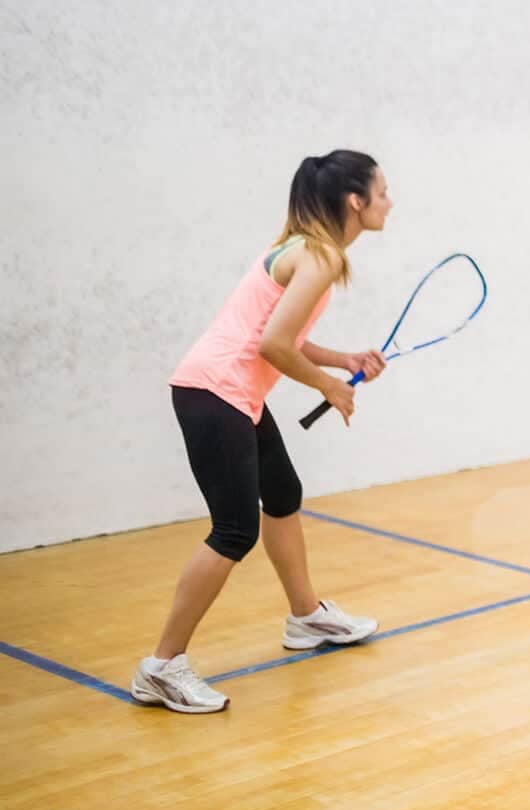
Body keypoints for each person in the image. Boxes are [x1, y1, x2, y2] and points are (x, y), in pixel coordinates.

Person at [133, 150, 390, 714]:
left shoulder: (302, 247)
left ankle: (306, 616)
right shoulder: (320, 256)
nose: (388, 203)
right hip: (216, 393)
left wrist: (343, 359)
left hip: (226, 392)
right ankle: (162, 667)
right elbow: (273, 345)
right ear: (355, 201)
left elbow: (280, 333)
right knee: (234, 531)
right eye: (381, 192)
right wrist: (330, 386)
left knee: (282, 493)